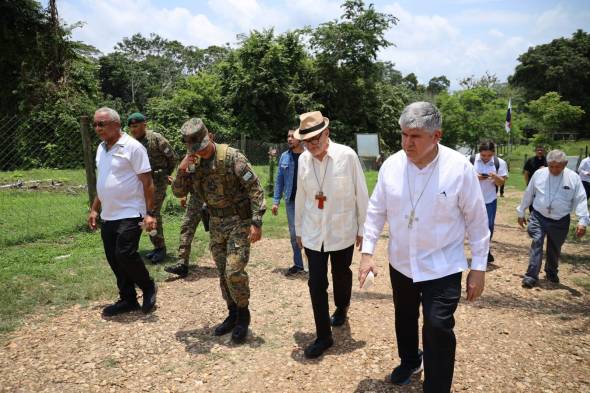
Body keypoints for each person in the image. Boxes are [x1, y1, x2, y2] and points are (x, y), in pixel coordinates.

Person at [359, 102, 489, 392]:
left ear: (436, 136)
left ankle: (437, 386)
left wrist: (478, 268)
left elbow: (477, 221)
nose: (407, 143)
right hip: (401, 262)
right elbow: (376, 210)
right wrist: (367, 253)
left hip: (442, 265)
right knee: (404, 317)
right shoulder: (391, 166)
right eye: (403, 134)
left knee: (438, 326)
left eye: (415, 136)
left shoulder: (458, 169)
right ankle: (409, 361)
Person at [172, 118, 266, 343]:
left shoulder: (232, 157)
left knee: (234, 271)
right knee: (223, 273)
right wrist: (182, 170)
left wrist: (256, 221)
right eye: (194, 148)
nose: (199, 152)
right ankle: (232, 313)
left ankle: (243, 315)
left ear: (210, 137)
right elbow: (177, 192)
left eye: (202, 147)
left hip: (238, 222)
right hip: (215, 223)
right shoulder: (191, 164)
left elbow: (255, 188)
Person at [294, 111, 369, 359]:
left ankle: (342, 306)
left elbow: (361, 193)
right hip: (314, 232)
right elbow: (301, 197)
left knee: (341, 274)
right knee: (316, 283)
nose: (312, 146)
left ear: (327, 133)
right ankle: (323, 336)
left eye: (316, 139)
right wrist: (299, 230)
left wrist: (362, 230)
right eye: (307, 142)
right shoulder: (304, 160)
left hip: (342, 230)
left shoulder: (347, 156)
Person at [87, 107, 158, 316]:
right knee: (113, 257)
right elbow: (104, 182)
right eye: (95, 124)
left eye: (102, 124)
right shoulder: (101, 149)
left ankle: (148, 286)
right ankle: (127, 299)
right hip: (108, 214)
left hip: (131, 211)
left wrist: (150, 213)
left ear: (116, 125)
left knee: (125, 254)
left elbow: (148, 182)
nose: (97, 128)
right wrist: (94, 209)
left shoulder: (133, 147)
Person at [517, 149, 588, 288]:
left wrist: (583, 221)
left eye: (558, 166)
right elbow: (529, 193)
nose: (554, 169)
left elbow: (581, 200)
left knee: (554, 247)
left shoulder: (573, 178)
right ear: (547, 163)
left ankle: (551, 272)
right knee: (537, 242)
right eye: (551, 166)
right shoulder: (539, 174)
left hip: (560, 219)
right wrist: (521, 211)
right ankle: (531, 275)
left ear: (565, 163)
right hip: (538, 216)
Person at [128, 112, 177, 263]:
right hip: (141, 182)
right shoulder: (131, 142)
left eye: (136, 126)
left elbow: (172, 157)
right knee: (144, 213)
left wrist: (166, 174)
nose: (133, 130)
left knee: (153, 212)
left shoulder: (156, 138)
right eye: (131, 127)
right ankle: (156, 247)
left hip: (157, 181)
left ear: (145, 125)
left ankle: (160, 248)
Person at [272, 129, 305, 276]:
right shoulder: (284, 157)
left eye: (293, 136)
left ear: (300, 139)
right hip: (291, 202)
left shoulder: (309, 156)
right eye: (288, 136)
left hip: (309, 202)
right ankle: (298, 264)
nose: (289, 139)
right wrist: (276, 201)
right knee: (294, 234)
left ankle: (314, 264)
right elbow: (279, 181)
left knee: (311, 233)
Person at [470, 141, 507, 263]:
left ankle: (484, 251)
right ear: (479, 152)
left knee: (489, 227)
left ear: (493, 153)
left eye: (489, 155)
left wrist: (496, 177)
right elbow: (461, 177)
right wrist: (475, 177)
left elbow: (502, 182)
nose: (486, 158)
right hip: (471, 199)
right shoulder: (470, 160)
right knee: (468, 226)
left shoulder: (499, 163)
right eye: (483, 155)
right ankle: (480, 251)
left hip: (489, 200)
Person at [164, 193, 205, 278]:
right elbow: (187, 180)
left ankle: (228, 262)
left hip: (217, 197)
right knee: (187, 227)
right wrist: (184, 195)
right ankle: (182, 264)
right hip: (196, 197)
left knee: (218, 230)